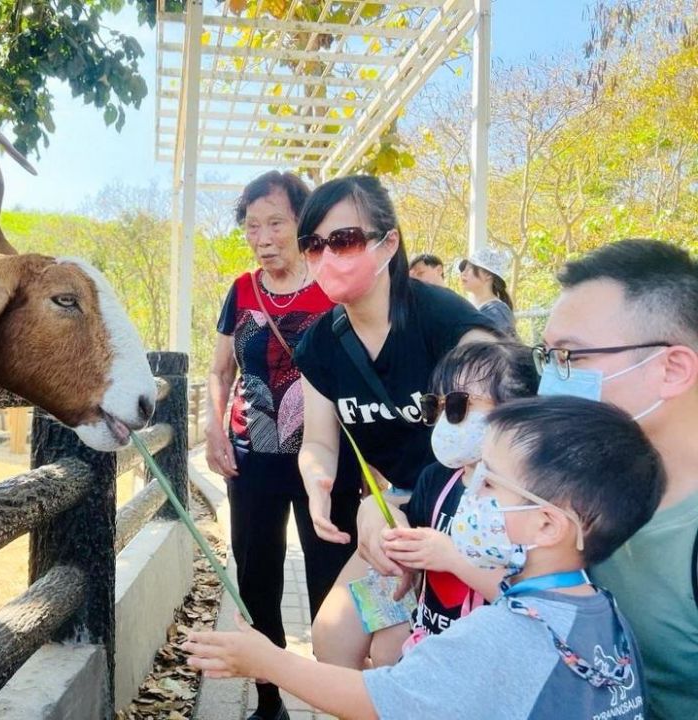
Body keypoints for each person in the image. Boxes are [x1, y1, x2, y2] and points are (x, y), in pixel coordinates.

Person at [184, 396, 664, 720]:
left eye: (490, 483)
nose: (472, 493)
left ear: (547, 525)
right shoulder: (607, 614)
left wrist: (267, 660)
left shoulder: (502, 634)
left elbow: (378, 703)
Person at [290, 175, 497, 668]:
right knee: (333, 640)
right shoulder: (320, 345)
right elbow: (319, 440)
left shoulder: (449, 324)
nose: (329, 256)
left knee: (392, 654)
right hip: (395, 517)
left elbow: (507, 433)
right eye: (314, 245)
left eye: (344, 240)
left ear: (388, 243)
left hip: (470, 519)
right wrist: (320, 481)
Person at [205, 170, 354, 720]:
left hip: (328, 464)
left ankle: (336, 696)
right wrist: (214, 426)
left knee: (332, 582)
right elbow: (220, 370)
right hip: (252, 458)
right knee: (257, 579)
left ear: (303, 223)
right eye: (252, 226)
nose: (262, 237)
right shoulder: (241, 291)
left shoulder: (333, 287)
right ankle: (269, 703)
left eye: (275, 223)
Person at [537, 238, 698, 719]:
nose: (551, 381)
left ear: (672, 369)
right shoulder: (571, 482)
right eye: (545, 358)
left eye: (572, 358)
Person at [377, 341, 539, 655]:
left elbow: (534, 602)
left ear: (519, 409)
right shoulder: (436, 478)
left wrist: (452, 557)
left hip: (491, 661)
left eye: (457, 405)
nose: (444, 421)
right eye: (434, 407)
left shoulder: (532, 500)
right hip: (430, 648)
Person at [459, 246, 519, 339]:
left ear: (488, 275)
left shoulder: (497, 312)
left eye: (469, 269)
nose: (463, 274)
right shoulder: (482, 309)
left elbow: (499, 351)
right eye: (463, 270)